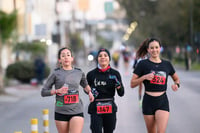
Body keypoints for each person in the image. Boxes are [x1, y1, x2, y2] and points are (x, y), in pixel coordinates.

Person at [130, 38, 180, 133]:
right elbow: (132, 84)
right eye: (152, 48)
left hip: (162, 101)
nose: (154, 50)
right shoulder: (142, 64)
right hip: (148, 101)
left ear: (160, 48)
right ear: (148, 50)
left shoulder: (167, 64)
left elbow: (176, 79)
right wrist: (144, 77)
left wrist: (176, 84)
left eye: (156, 47)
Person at [41, 47, 94, 133]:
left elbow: (85, 85)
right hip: (61, 111)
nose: (66, 57)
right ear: (59, 60)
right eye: (63, 56)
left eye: (68, 55)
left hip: (77, 110)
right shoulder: (55, 73)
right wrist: (57, 91)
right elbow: (43, 92)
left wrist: (90, 93)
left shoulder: (79, 72)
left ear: (72, 58)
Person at [86, 48, 125, 133]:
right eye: (100, 56)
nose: (103, 57)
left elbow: (121, 93)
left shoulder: (115, 74)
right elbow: (86, 89)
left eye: (105, 55)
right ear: (97, 59)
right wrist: (89, 92)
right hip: (95, 107)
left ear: (109, 59)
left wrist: (119, 87)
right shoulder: (91, 74)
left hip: (110, 108)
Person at [133, 39, 150, 108]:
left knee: (141, 87)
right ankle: (141, 101)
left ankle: (141, 100)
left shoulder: (143, 53)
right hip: (142, 72)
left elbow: (135, 63)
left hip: (142, 72)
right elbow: (135, 62)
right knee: (145, 87)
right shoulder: (142, 54)